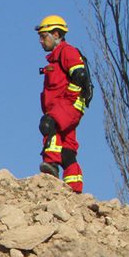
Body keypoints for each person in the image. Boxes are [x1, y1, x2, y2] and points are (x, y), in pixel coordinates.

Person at [35, 15, 92, 193]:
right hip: (66, 106)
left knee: (49, 125)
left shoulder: (67, 52)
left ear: (56, 34)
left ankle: (50, 167)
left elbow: (79, 75)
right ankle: (74, 188)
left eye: (43, 36)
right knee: (67, 150)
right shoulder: (55, 59)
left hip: (69, 104)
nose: (41, 41)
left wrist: (71, 97)